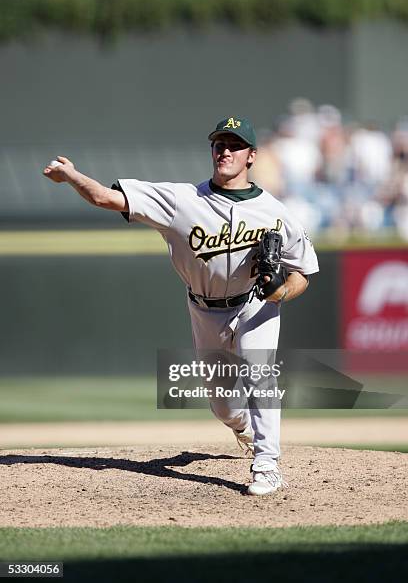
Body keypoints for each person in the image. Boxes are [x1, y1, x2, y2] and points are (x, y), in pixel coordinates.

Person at [43, 116, 319, 496]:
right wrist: (73, 176)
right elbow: (106, 198)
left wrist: (279, 293)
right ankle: (243, 427)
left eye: (234, 145)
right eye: (219, 144)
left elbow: (303, 273)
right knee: (222, 406)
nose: (224, 150)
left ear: (251, 156)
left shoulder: (276, 211)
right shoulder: (181, 200)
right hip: (205, 308)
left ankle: (267, 466)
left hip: (255, 304)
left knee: (260, 374)